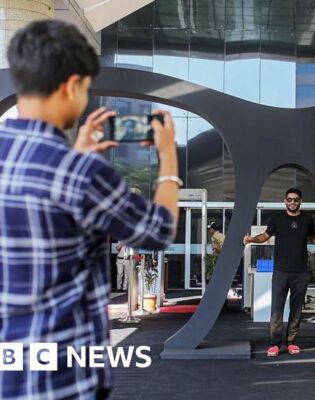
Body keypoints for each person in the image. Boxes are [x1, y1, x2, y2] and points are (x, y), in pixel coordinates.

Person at [0, 20, 180, 400]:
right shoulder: (80, 173)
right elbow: (158, 230)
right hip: (62, 380)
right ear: (70, 86)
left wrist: (76, 156)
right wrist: (168, 159)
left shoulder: (69, 167)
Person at [243, 188, 315, 357]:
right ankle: (275, 344)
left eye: (295, 200)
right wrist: (251, 239)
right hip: (280, 272)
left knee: (297, 309)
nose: (292, 202)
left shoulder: (307, 219)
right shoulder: (277, 219)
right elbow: (265, 236)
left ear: (301, 201)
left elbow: (312, 237)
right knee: (277, 309)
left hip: (301, 272)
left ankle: (291, 342)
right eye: (290, 199)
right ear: (285, 200)